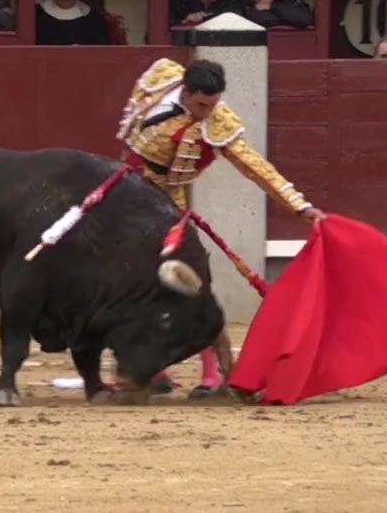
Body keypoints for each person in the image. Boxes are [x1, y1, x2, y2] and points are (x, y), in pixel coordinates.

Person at [116, 57, 326, 398]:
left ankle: (212, 373)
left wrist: (298, 206)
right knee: (128, 283)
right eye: (201, 104)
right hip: (123, 191)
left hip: (166, 204)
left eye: (213, 105)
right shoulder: (160, 76)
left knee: (189, 283)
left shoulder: (218, 124)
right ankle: (152, 369)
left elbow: (254, 166)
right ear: (184, 91)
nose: (206, 113)